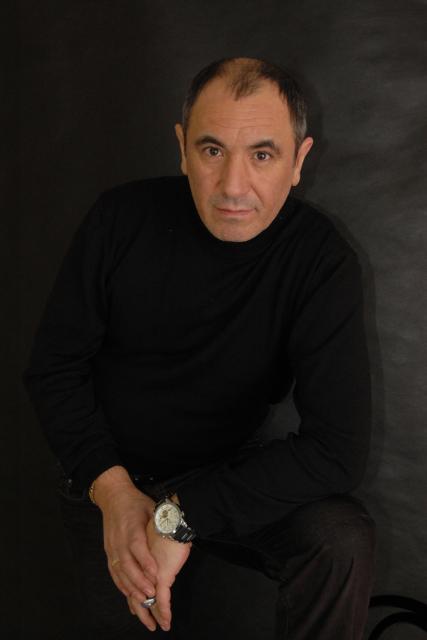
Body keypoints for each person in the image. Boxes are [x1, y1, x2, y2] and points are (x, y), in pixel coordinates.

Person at [22, 56, 376, 639]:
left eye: (262, 155)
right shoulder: (119, 220)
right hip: (110, 474)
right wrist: (114, 493)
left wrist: (181, 514)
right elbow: (54, 370)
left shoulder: (321, 260)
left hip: (224, 477)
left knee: (340, 539)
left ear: (299, 161)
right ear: (182, 148)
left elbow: (338, 449)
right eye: (212, 150)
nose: (233, 186)